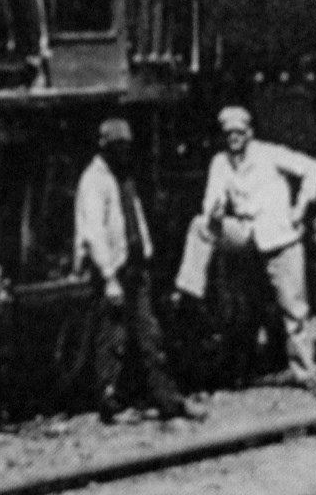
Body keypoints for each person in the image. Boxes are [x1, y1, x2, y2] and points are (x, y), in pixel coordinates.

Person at [173, 106, 316, 389]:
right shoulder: (220, 162)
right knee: (200, 225)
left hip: (280, 238)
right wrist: (215, 211)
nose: (234, 138)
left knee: (294, 310)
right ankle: (189, 289)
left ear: (249, 134)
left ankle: (306, 372)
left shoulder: (269, 154)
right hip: (245, 234)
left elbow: (314, 169)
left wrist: (301, 207)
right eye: (228, 134)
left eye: (239, 133)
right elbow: (212, 198)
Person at [75, 118, 206, 423]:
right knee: (113, 339)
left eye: (126, 146)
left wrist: (146, 250)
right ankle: (111, 406)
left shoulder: (122, 177)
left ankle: (169, 401)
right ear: (104, 147)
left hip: (134, 265)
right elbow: (93, 232)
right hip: (113, 269)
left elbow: (133, 217)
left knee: (150, 336)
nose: (124, 152)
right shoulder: (93, 181)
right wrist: (109, 277)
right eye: (117, 147)